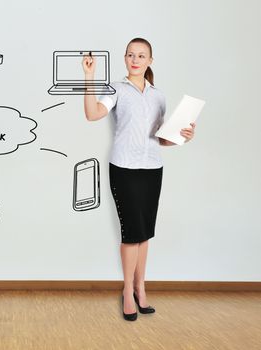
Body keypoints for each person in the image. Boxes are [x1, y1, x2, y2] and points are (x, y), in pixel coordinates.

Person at [82, 38, 196, 321]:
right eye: (131, 54)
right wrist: (89, 77)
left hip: (152, 169)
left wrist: (183, 138)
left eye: (141, 55)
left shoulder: (159, 96)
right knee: (131, 233)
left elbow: (161, 140)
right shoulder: (116, 90)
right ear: (125, 58)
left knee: (144, 233)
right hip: (124, 169)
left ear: (150, 61)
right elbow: (92, 114)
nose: (135, 59)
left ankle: (140, 288)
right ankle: (127, 292)